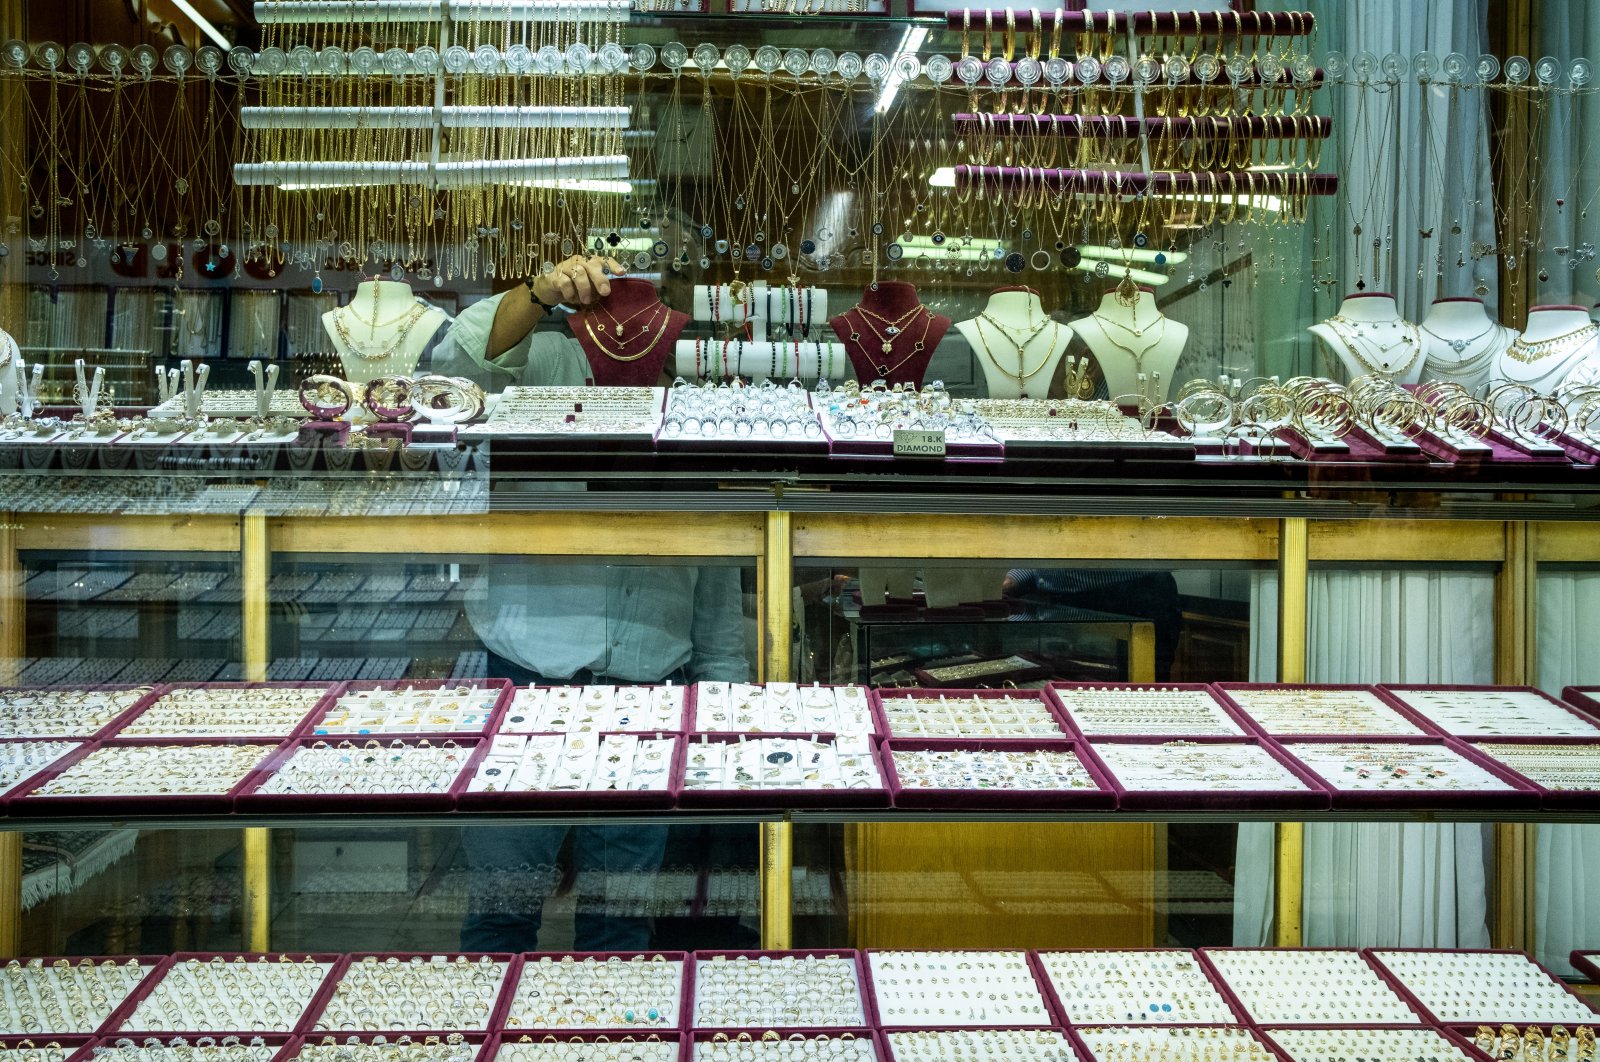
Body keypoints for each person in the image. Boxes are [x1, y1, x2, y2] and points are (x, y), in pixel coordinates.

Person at [435, 255, 750, 951]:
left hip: (651, 701)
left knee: (619, 925)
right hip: (525, 687)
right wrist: (540, 291)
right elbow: (461, 355)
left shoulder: (699, 398)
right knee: (500, 912)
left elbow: (719, 591)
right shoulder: (542, 357)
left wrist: (722, 723)